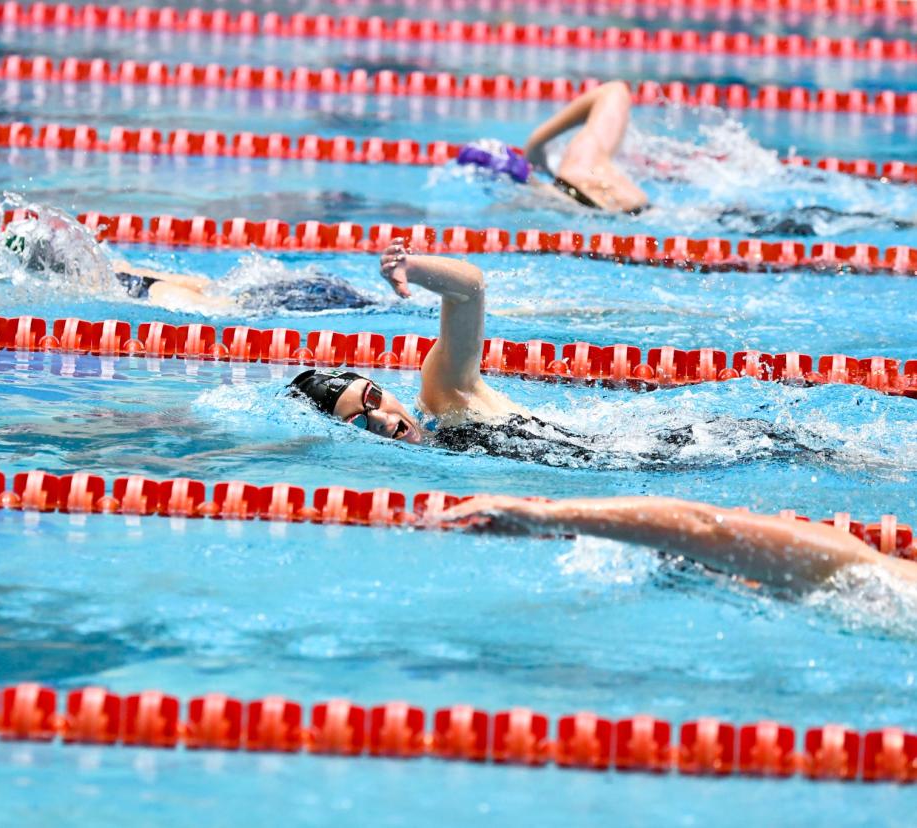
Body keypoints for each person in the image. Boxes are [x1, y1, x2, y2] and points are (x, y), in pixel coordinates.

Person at [286, 241, 817, 467]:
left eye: (373, 397)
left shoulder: (445, 395)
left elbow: (469, 288)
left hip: (683, 445)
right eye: (359, 422)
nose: (382, 419)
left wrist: (415, 268)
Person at [432, 493, 917, 591]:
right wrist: (542, 515)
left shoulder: (861, 570)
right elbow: (707, 528)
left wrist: (543, 516)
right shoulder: (858, 567)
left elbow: (708, 531)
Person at [3, 218, 375, 315]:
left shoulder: (128, 289)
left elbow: (225, 311)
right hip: (293, 286)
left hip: (280, 300)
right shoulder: (122, 271)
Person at [456, 81, 649, 215]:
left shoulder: (516, 209)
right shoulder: (582, 163)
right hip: (629, 209)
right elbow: (614, 90)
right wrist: (536, 143)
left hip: (576, 210)